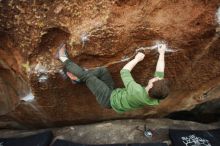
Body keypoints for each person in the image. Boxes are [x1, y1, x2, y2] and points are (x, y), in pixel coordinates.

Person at [56, 43, 169, 113]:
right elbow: (160, 72)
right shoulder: (156, 96)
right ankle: (79, 80)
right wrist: (162, 53)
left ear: (150, 88)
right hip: (114, 93)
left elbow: (124, 71)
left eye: (155, 80)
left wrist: (137, 59)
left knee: (87, 76)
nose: (156, 78)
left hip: (108, 99)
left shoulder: (136, 91)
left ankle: (62, 58)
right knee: (103, 71)